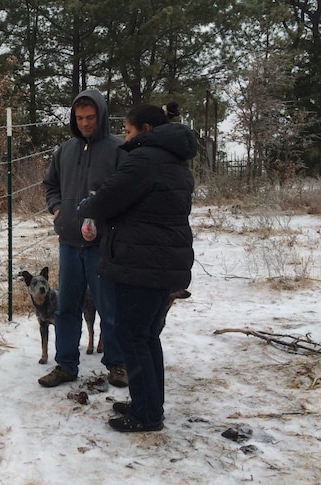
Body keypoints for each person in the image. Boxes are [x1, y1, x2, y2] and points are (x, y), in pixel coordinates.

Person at [78, 102, 196, 432]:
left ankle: (146, 415)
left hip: (142, 262)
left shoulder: (145, 160)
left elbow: (105, 201)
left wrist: (87, 205)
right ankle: (148, 404)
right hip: (164, 260)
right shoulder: (175, 162)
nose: (125, 137)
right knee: (146, 336)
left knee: (133, 335)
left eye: (128, 131)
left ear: (144, 130)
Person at [39, 89, 127, 388]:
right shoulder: (64, 151)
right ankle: (65, 364)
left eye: (90, 117)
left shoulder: (118, 150)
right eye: (79, 118)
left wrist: (108, 221)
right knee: (66, 307)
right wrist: (57, 209)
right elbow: (50, 184)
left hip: (102, 245)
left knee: (109, 306)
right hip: (69, 242)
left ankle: (117, 364)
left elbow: (127, 193)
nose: (85, 123)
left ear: (100, 116)